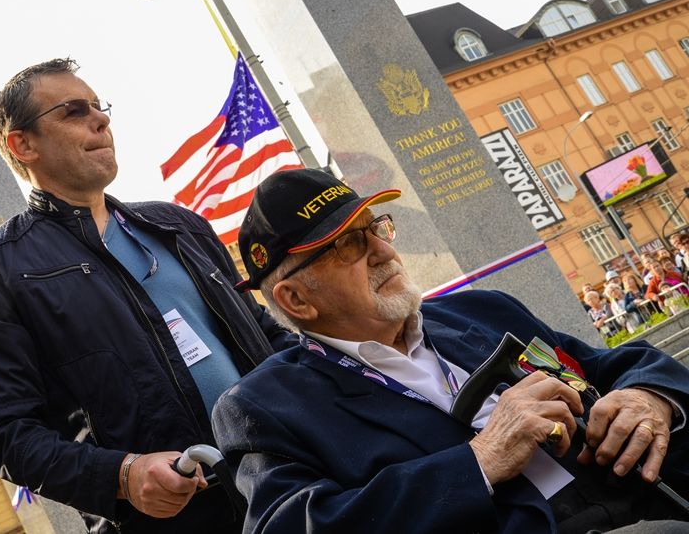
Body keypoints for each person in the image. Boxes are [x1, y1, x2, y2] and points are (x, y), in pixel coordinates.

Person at [211, 168, 689, 533]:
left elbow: (615, 365)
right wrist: (480, 460)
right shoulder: (262, 408)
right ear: (296, 299)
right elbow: (300, 525)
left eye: (376, 227)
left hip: (653, 499)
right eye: (349, 245)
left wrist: (649, 397)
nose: (383, 250)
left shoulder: (482, 310)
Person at [0, 58, 293, 533]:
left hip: (290, 488)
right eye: (73, 111)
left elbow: (265, 336)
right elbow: (5, 434)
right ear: (22, 143)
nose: (101, 119)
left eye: (99, 106)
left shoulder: (178, 225)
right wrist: (122, 474)